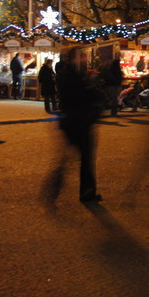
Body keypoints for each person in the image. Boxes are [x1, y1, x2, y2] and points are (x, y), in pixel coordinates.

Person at [43, 48, 103, 204]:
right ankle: (85, 192)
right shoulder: (72, 76)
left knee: (73, 157)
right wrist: (91, 85)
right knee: (86, 157)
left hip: (72, 120)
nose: (84, 60)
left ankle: (56, 185)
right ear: (74, 59)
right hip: (79, 121)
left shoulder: (67, 74)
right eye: (81, 57)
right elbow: (81, 96)